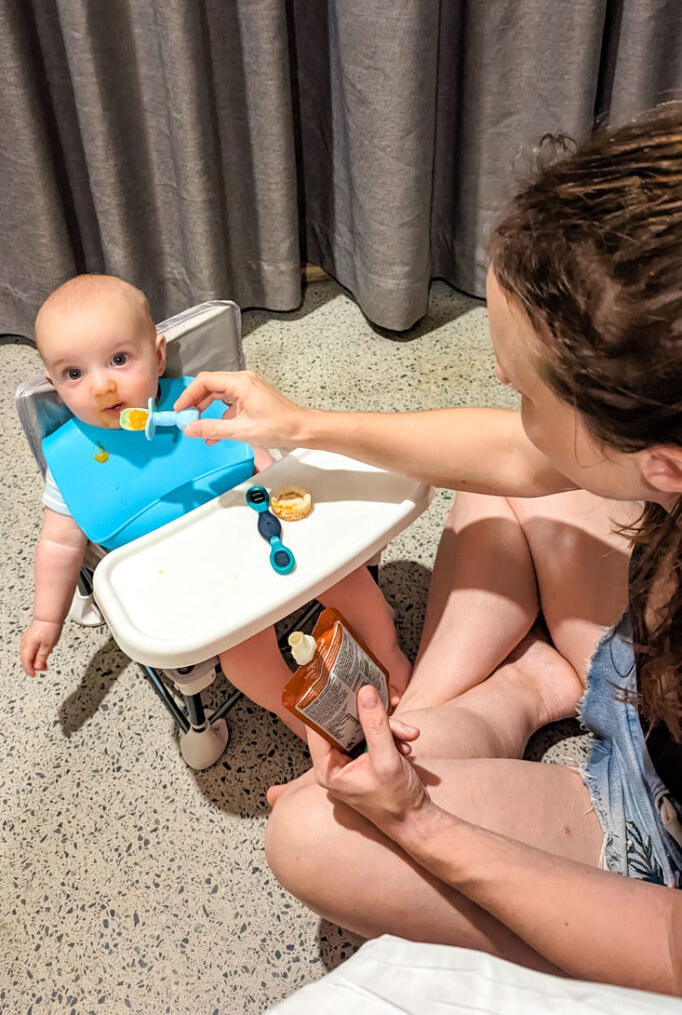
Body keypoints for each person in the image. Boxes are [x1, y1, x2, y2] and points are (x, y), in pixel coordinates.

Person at [171, 103, 682, 996]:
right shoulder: (657, 452)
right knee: (507, 485)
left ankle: (512, 697)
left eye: (525, 389)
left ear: (661, 465)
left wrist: (421, 824)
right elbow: (512, 457)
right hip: (641, 655)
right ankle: (504, 691)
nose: (498, 383)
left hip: (658, 853)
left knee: (310, 839)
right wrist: (305, 423)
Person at [19, 274, 411, 738]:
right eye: (74, 374)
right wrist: (47, 617)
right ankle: (304, 722)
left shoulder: (201, 404)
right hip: (193, 584)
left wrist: (274, 473)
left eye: (120, 360)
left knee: (351, 582)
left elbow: (263, 464)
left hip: (262, 531)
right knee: (246, 657)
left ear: (158, 354)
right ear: (54, 383)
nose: (101, 387)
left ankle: (394, 664)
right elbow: (60, 546)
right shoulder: (70, 462)